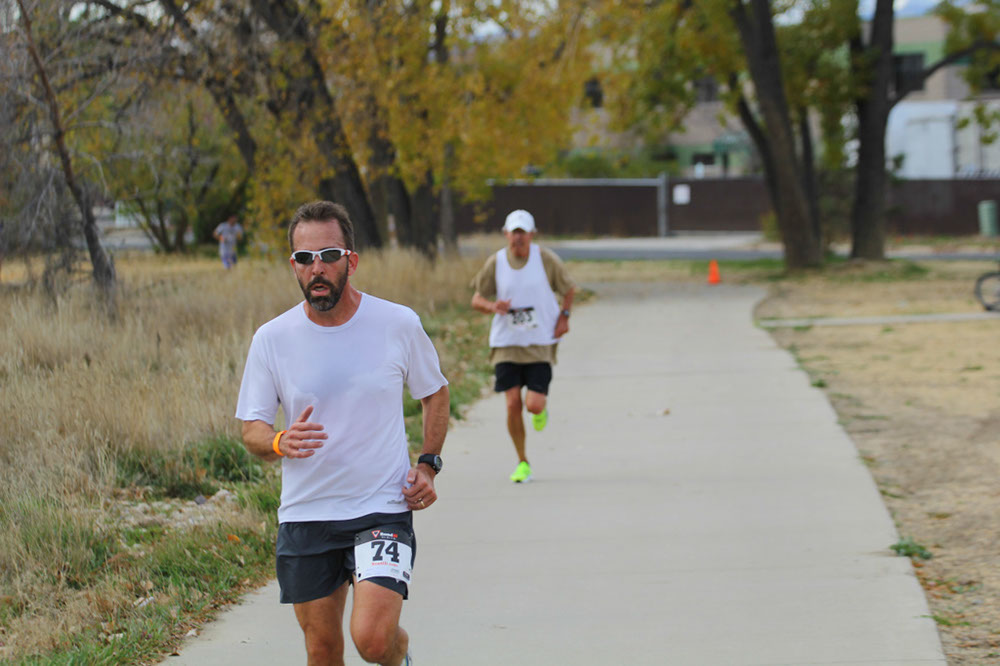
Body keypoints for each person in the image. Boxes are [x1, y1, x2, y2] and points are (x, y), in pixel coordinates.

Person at [235, 200, 449, 666]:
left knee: (373, 640)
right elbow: (252, 429)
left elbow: (435, 392)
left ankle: (399, 653)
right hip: (307, 513)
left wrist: (428, 464)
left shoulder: (397, 323)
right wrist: (278, 441)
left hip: (382, 506)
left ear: (351, 260)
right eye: (304, 258)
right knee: (323, 650)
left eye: (328, 255)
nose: (317, 268)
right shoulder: (272, 338)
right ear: (293, 265)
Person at [470, 209, 575, 483]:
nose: (518, 238)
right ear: (506, 234)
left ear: (532, 234)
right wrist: (493, 306)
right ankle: (522, 462)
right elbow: (476, 299)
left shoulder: (546, 259)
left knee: (534, 405)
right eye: (514, 233)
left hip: (539, 341)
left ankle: (540, 410)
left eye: (523, 233)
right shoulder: (496, 262)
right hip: (506, 342)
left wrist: (564, 317)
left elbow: (568, 289)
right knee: (512, 403)